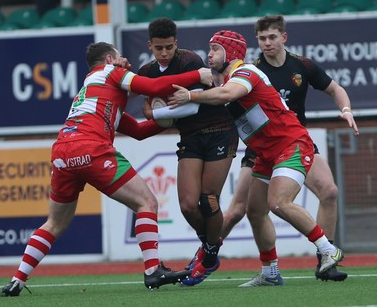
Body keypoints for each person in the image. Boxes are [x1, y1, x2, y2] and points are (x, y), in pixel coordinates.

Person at [1, 41, 214, 296]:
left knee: (54, 223)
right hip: (90, 148)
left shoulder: (92, 89)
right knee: (147, 202)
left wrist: (174, 119)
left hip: (62, 152)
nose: (126, 61)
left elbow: (136, 131)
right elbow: (154, 86)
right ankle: (152, 271)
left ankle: (17, 279)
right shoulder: (111, 73)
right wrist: (198, 75)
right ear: (111, 59)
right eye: (121, 56)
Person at [168, 29, 345, 288]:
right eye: (210, 48)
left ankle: (327, 249)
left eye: (216, 49)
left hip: (291, 144)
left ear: (231, 52)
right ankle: (270, 272)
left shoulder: (245, 73)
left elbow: (227, 96)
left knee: (279, 202)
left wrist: (191, 94)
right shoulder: (225, 80)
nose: (210, 54)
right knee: (254, 211)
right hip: (267, 152)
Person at [220, 15, 359, 286]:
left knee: (329, 192)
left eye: (272, 37)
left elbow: (335, 88)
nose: (267, 43)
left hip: (295, 140)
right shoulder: (251, 70)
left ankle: (326, 259)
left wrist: (346, 110)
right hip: (260, 148)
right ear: (257, 41)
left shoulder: (302, 65)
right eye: (262, 39)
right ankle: (208, 260)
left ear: (284, 37)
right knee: (242, 210)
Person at [139, 17, 239, 286]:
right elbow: (147, 109)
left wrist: (155, 112)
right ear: (150, 45)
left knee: (208, 201)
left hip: (219, 129)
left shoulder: (190, 61)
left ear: (176, 44)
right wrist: (152, 113)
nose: (164, 53)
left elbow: (188, 106)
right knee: (186, 204)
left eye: (169, 47)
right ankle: (210, 246)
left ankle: (208, 255)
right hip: (191, 137)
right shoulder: (147, 71)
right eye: (159, 48)